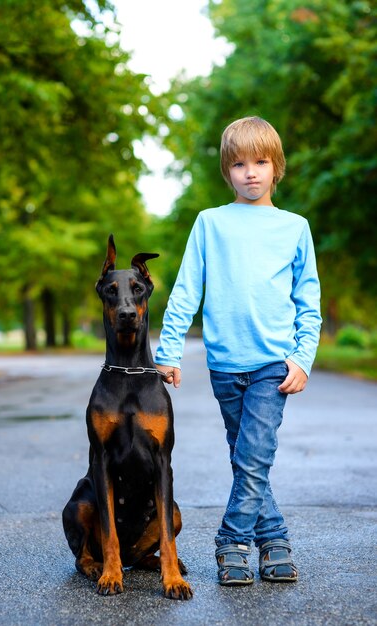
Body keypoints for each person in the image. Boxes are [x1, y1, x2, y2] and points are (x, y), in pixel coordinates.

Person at [154, 116, 321, 586]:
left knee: (253, 457)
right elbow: (187, 290)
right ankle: (274, 539)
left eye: (261, 162)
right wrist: (168, 351)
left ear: (276, 167)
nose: (251, 172)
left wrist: (302, 357)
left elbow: (309, 301)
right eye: (240, 163)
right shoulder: (210, 223)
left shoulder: (294, 228)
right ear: (227, 171)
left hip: (274, 363)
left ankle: (231, 542)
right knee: (246, 455)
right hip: (225, 364)